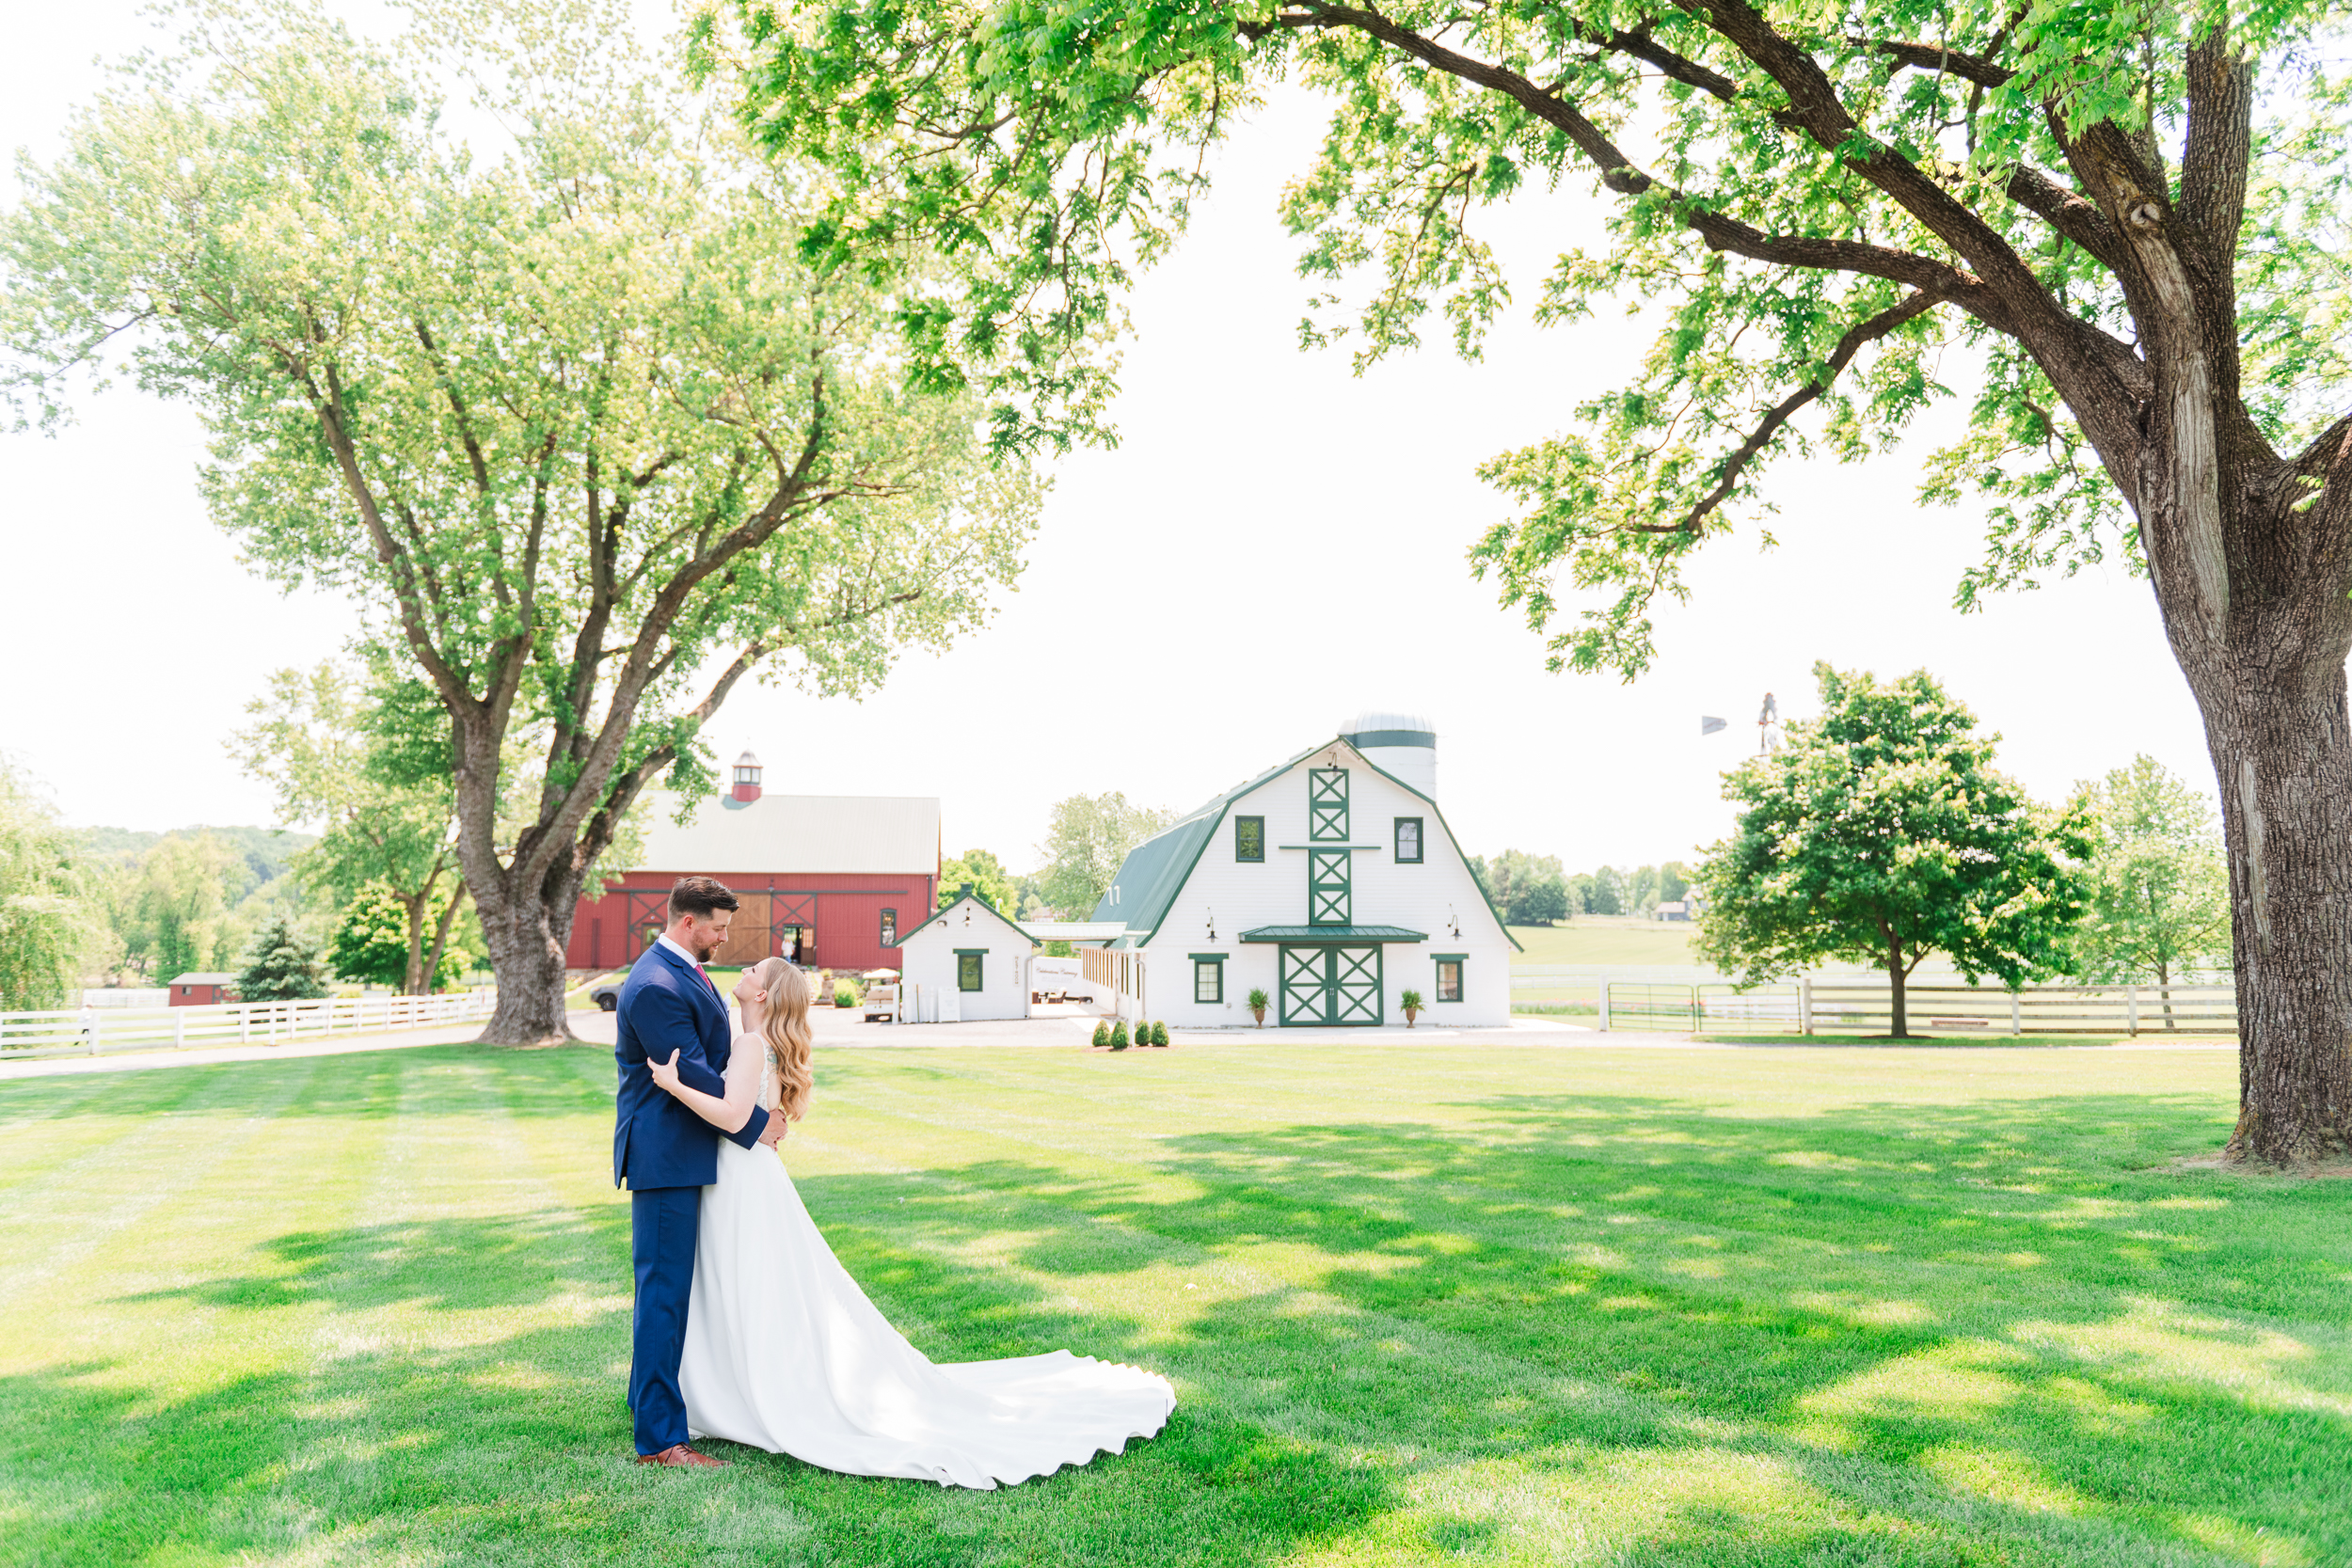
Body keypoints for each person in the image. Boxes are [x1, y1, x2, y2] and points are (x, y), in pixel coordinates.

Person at [645, 955, 1175, 1487]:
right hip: (753, 1178)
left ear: (762, 995)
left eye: (755, 972)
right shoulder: (763, 1047)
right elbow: (758, 1117)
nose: (746, 973)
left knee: (751, 1286)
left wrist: (673, 1086)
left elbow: (735, 1116)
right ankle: (737, 1387)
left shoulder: (750, 1045)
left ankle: (748, 1393)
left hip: (743, 1183)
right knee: (760, 1288)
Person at [613, 876, 784, 1468]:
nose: (725, 936)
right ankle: (660, 1440)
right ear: (689, 922)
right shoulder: (658, 985)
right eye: (718, 926)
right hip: (666, 1155)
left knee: (667, 1289)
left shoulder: (682, 969)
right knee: (663, 1293)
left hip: (685, 1150)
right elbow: (693, 1075)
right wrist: (754, 1121)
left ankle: (644, 1401)